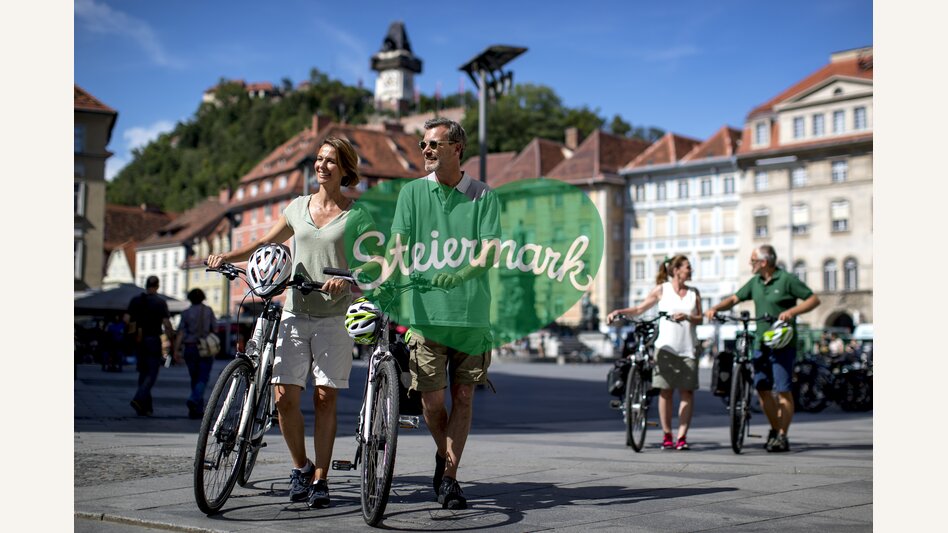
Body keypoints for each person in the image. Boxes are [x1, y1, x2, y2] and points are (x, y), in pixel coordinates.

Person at [207, 136, 370, 509]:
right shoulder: (298, 207)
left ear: (345, 169)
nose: (322, 165)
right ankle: (301, 466)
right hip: (295, 311)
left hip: (335, 316)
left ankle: (322, 479)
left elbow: (375, 262)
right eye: (319, 159)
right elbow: (265, 242)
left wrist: (349, 279)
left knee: (325, 399)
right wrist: (225, 256)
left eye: (331, 160)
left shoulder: (357, 214)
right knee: (284, 398)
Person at [388, 117, 501, 510]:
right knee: (432, 403)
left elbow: (490, 251)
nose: (426, 151)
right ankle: (445, 453)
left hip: (471, 318)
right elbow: (398, 245)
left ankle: (450, 478)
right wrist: (388, 277)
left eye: (434, 144)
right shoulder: (412, 193)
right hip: (424, 316)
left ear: (457, 148)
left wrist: (461, 273)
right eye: (423, 145)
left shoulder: (483, 196)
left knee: (464, 396)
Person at [705, 244, 820, 453]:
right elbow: (734, 299)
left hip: (783, 343)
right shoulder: (756, 282)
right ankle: (775, 430)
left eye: (753, 261)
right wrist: (714, 308)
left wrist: (791, 312)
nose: (750, 264)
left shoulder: (786, 280)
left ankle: (782, 436)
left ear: (764, 262)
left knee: (783, 390)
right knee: (762, 388)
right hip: (761, 343)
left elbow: (813, 299)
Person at [607, 254, 703, 451]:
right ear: (676, 270)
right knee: (665, 392)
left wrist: (688, 316)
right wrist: (619, 312)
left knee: (687, 392)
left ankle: (682, 437)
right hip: (665, 347)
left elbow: (700, 319)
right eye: (688, 267)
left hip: (688, 348)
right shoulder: (662, 290)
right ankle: (667, 435)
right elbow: (640, 308)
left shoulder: (694, 292)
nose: (691, 270)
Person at [128, 275, 177, 416]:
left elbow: (127, 319)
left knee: (143, 373)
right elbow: (167, 324)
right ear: (157, 286)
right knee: (152, 373)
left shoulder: (135, 301)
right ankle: (138, 398)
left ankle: (145, 407)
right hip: (153, 340)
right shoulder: (160, 302)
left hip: (139, 340)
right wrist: (170, 338)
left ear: (145, 285)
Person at [174, 288, 217, 419]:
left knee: (195, 378)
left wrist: (176, 350)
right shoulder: (208, 311)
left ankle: (196, 409)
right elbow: (214, 328)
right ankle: (194, 400)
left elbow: (181, 332)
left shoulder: (185, 313)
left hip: (190, 347)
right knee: (203, 377)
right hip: (205, 348)